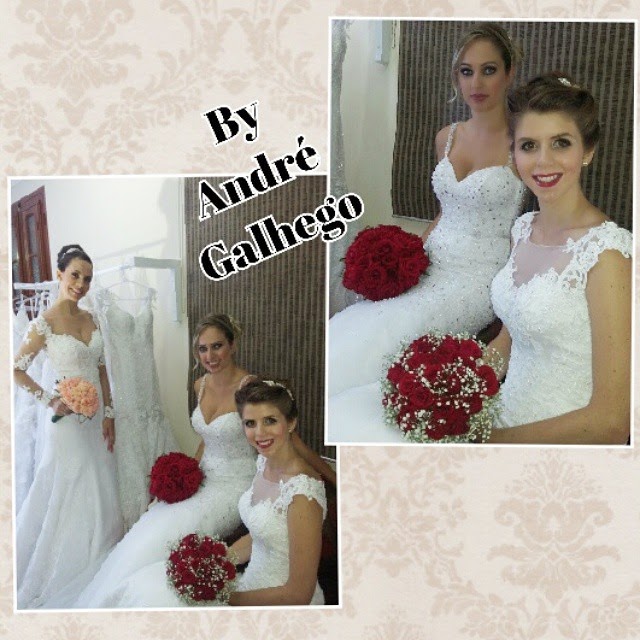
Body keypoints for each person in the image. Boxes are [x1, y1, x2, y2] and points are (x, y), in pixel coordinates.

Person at [328, 23, 525, 441]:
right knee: (357, 320)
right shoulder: (446, 138)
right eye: (466, 71)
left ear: (509, 73)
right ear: (456, 77)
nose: (476, 83)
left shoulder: (524, 144)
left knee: (393, 331)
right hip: (431, 261)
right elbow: (444, 212)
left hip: (476, 278)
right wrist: (405, 257)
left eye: (489, 70)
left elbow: (529, 231)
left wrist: (511, 313)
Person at [74, 313, 257, 607]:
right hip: (205, 477)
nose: (210, 356)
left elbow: (267, 442)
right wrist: (186, 477)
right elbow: (207, 440)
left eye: (217, 346)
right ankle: (113, 597)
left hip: (236, 483)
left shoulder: (250, 388)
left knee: (170, 530)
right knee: (152, 520)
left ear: (232, 345)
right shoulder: (199, 385)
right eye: (202, 349)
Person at [488, 73, 631, 444]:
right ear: (514, 154)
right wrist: (447, 389)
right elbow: (509, 341)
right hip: (499, 418)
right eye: (529, 145)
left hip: (563, 445)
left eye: (561, 143)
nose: (543, 161)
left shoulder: (608, 256)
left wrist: (491, 444)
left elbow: (613, 422)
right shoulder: (522, 229)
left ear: (588, 151)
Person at [14, 244, 123, 608]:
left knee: (100, 480)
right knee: (76, 483)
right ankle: (72, 565)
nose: (80, 284)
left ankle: (100, 550)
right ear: (60, 274)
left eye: (87, 279)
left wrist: (109, 414)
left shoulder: (92, 319)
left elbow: (103, 370)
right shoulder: (43, 323)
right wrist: (51, 400)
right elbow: (15, 370)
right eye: (75, 275)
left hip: (95, 420)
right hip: (65, 423)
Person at [228, 378, 326, 605]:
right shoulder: (263, 462)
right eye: (250, 423)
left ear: (291, 422)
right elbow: (262, 536)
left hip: (283, 603)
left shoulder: (303, 493)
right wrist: (214, 562)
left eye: (270, 421)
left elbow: (298, 595)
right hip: (251, 583)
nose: (259, 433)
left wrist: (228, 599)